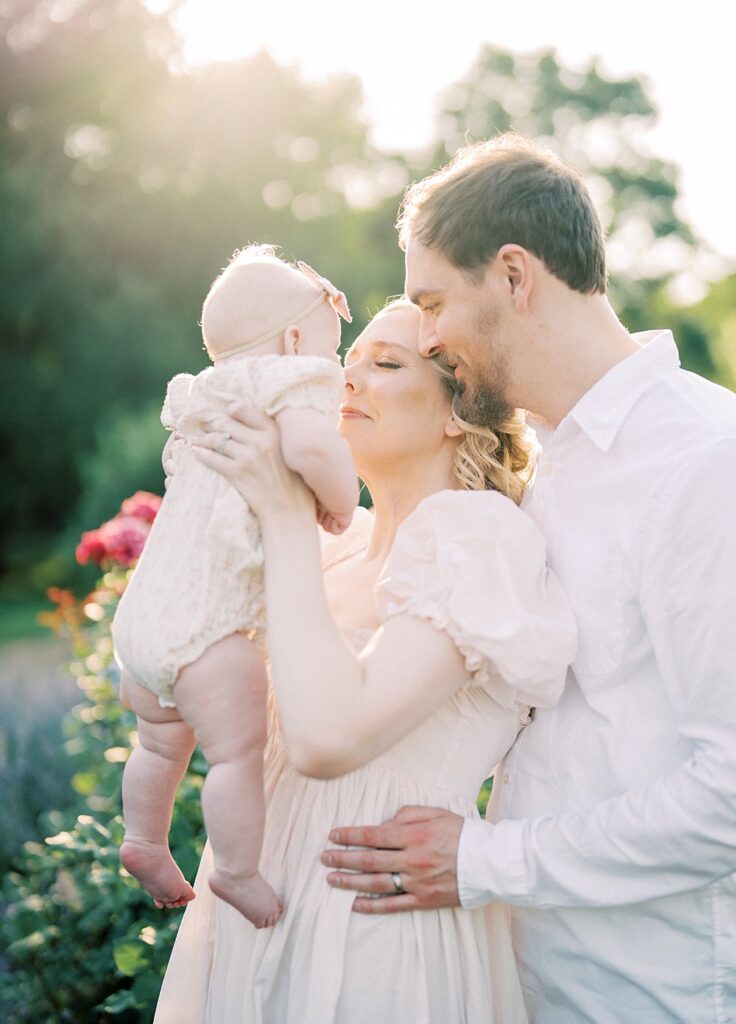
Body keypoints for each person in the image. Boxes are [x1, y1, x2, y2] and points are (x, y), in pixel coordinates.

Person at [319, 134, 736, 1023]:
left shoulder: (711, 462)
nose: (432, 339)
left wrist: (484, 861)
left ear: (516, 277)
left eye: (435, 302)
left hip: (661, 994)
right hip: (531, 980)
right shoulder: (550, 470)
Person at [152, 297, 577, 1022]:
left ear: (458, 409)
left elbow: (327, 739)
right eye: (345, 363)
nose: (345, 382)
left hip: (373, 918)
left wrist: (282, 512)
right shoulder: (336, 541)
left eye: (385, 365)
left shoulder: (477, 540)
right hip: (254, 900)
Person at [112, 244, 359, 928]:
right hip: (209, 628)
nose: (333, 368)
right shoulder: (291, 380)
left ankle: (143, 840)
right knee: (235, 755)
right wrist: (340, 498)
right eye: (333, 350)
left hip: (146, 617)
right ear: (295, 341)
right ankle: (240, 872)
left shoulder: (201, 394)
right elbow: (314, 450)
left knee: (159, 744)